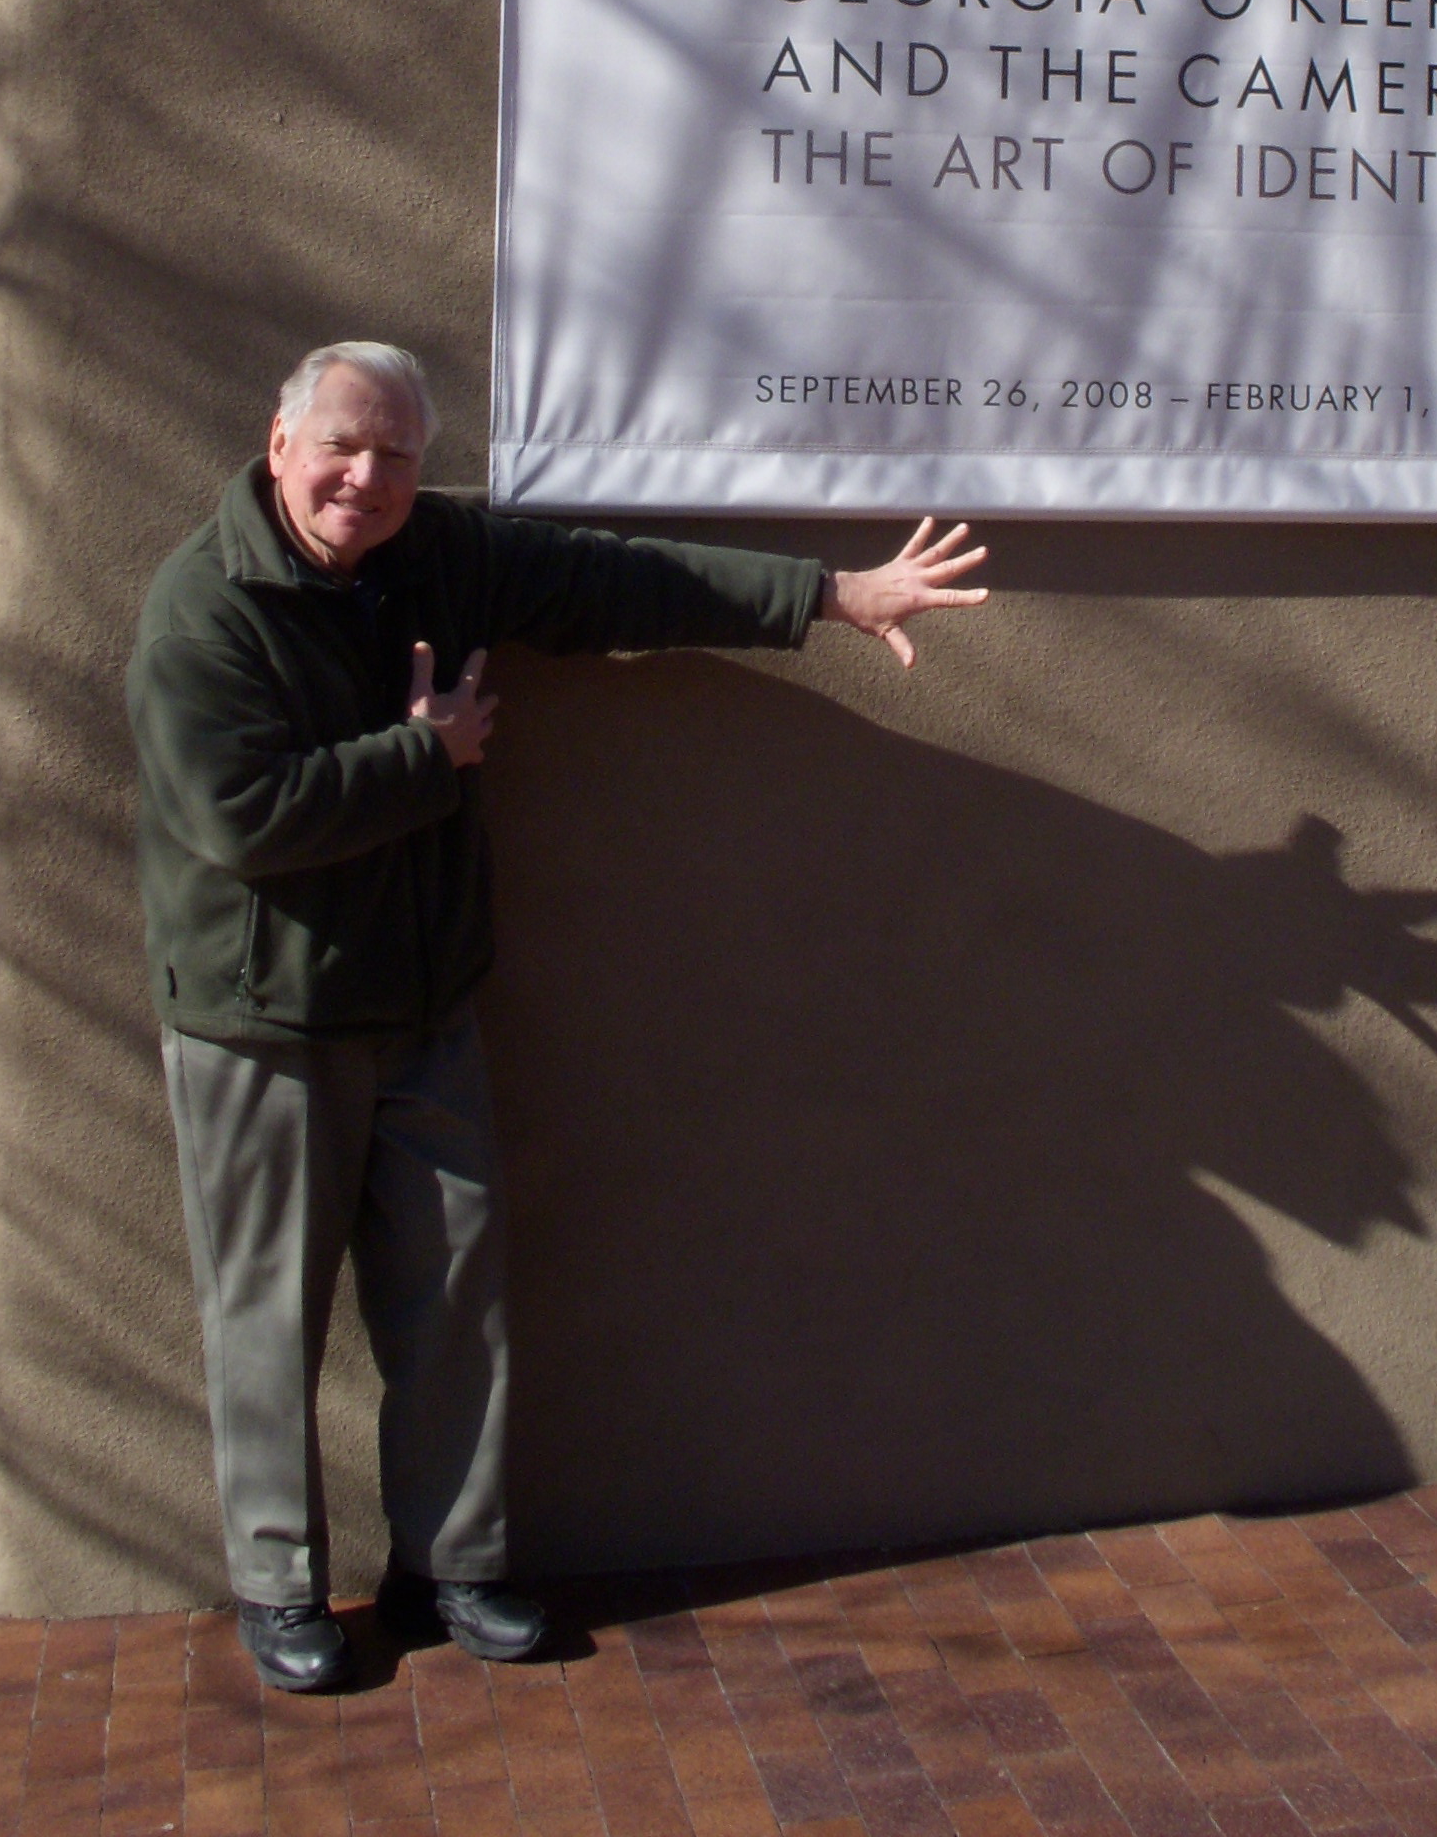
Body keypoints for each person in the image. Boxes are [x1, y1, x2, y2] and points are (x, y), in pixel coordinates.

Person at [128, 340, 987, 1692]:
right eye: (343, 446)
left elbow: (609, 578)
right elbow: (241, 821)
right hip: (264, 1025)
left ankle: (453, 1568)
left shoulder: (442, 551)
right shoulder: (207, 609)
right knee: (265, 1322)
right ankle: (280, 1587)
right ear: (280, 440)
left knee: (458, 1300)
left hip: (424, 1010)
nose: (367, 477)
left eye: (397, 453)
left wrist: (827, 593)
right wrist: (428, 755)